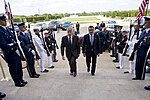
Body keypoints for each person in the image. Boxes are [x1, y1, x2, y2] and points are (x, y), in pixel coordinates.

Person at [0, 14, 27, 87]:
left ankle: (21, 79)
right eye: (3, 20)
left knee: (18, 66)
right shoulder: (0, 31)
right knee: (13, 68)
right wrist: (12, 46)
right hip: (9, 52)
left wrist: (15, 44)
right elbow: (3, 44)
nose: (5, 21)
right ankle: (17, 82)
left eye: (5, 20)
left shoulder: (7, 29)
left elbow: (13, 39)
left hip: (15, 50)